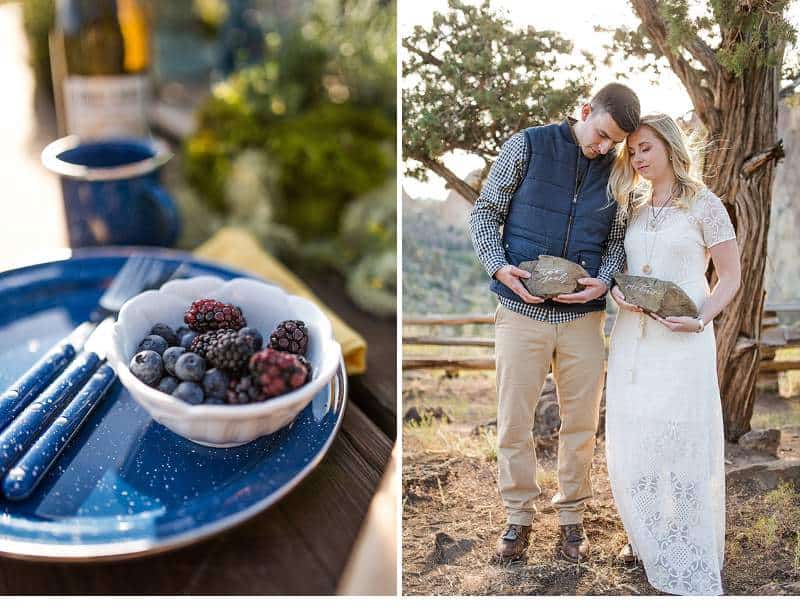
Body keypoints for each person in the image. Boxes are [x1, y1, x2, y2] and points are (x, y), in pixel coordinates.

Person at [468, 83, 640, 563]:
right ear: (586, 111)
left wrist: (604, 281)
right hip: (520, 312)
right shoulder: (526, 144)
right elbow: (486, 211)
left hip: (584, 320)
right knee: (515, 421)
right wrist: (498, 266)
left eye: (614, 142)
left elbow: (617, 242)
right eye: (601, 134)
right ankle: (517, 518)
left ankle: (572, 521)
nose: (604, 147)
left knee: (581, 423)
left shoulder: (619, 172)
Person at [605, 113, 741, 595]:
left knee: (679, 439)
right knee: (636, 438)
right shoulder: (634, 207)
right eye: (633, 151)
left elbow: (730, 277)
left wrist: (700, 318)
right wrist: (617, 294)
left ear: (669, 147)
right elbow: (623, 269)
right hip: (632, 340)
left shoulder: (705, 205)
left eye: (646, 148)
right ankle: (646, 538)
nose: (639, 158)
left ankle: (684, 536)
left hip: (683, 338)